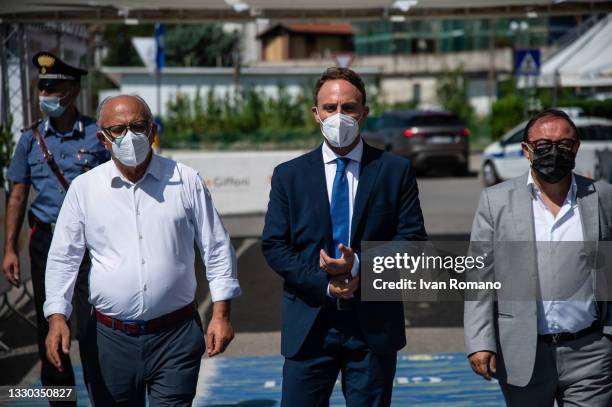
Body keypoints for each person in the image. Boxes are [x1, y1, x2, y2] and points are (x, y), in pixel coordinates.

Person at [43, 95, 241, 406]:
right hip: (109, 341)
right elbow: (63, 259)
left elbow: (215, 247)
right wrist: (57, 318)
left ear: (151, 131)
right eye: (118, 129)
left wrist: (221, 314)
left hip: (176, 336)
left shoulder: (185, 180)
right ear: (102, 139)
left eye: (138, 126)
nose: (130, 136)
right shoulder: (84, 189)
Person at [262, 67, 427, 406]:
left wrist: (359, 266)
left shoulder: (395, 171)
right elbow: (275, 245)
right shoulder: (288, 176)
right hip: (309, 325)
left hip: (373, 328)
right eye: (330, 108)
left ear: (364, 112)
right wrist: (324, 284)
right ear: (316, 114)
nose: (339, 116)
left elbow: (412, 240)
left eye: (349, 108)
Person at [465, 109, 612, 406]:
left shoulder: (603, 196)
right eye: (544, 145)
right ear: (526, 150)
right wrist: (480, 342)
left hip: (591, 351)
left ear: (576, 148)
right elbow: (479, 276)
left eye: (564, 145)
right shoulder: (496, 201)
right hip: (522, 351)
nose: (554, 152)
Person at [2, 51, 109, 404]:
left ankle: (103, 394)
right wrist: (9, 249)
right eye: (42, 87)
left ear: (74, 90)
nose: (45, 94)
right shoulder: (30, 140)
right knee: (51, 325)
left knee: (94, 323)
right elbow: (17, 196)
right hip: (46, 241)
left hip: (91, 242)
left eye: (53, 87)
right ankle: (60, 400)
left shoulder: (98, 135)